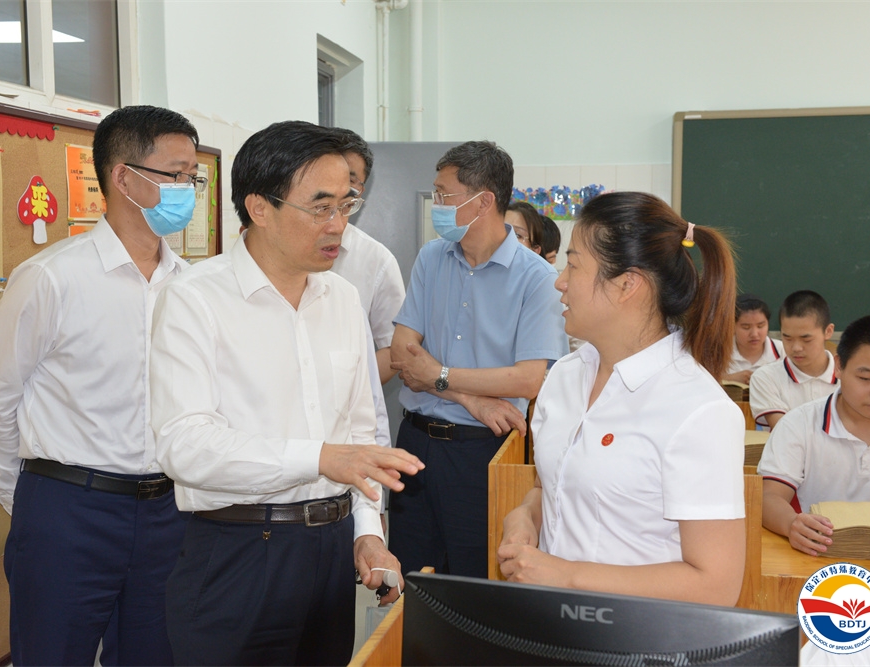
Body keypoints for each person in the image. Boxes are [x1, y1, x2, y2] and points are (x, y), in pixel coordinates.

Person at [149, 120, 423, 666]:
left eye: (346, 205)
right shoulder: (194, 299)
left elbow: (360, 432)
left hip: (331, 551)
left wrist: (366, 533)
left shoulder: (342, 298)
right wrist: (319, 457)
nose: (338, 225)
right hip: (239, 552)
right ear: (259, 207)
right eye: (320, 207)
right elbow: (185, 444)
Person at [0, 105, 201, 665]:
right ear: (123, 178)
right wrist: (29, 499)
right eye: (176, 174)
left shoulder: (192, 286)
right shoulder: (51, 277)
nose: (188, 190)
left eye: (195, 177)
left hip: (169, 512)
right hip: (68, 511)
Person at [498, 191, 746, 606]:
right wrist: (525, 516)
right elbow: (552, 487)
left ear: (628, 284)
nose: (559, 281)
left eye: (573, 265)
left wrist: (568, 576)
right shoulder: (564, 377)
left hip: (636, 634)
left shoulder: (699, 410)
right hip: (554, 622)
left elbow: (716, 586)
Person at [389, 141, 568, 579]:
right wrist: (468, 397)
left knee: (473, 580)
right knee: (409, 579)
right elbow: (402, 354)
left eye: (443, 194)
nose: (437, 204)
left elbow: (528, 380)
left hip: (482, 452)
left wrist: (437, 375)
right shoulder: (432, 258)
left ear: (484, 201)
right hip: (415, 444)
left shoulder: (537, 279)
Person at [758, 314, 870, 556]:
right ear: (839, 366)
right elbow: (768, 497)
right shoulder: (798, 424)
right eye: (866, 378)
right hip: (814, 556)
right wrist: (791, 524)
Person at [329, 128, 407, 385]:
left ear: (361, 190)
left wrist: (351, 393)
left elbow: (394, 347)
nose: (340, 187)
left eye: (351, 179)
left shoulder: (377, 260)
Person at [750, 290, 838, 428]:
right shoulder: (766, 378)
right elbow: (786, 432)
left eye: (806, 339)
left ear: (828, 332)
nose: (796, 348)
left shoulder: (851, 377)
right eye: (787, 338)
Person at [722, 293, 785, 385]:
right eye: (746, 327)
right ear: (732, 326)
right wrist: (729, 379)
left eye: (760, 326)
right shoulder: (719, 352)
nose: (754, 334)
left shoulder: (782, 350)